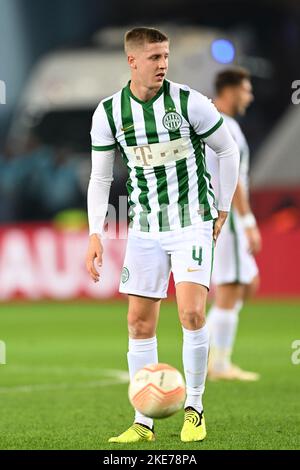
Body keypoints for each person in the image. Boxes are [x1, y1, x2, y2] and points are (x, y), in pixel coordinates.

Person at [86, 27, 239, 443]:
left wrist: (222, 206)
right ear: (132, 61)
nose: (163, 64)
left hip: (191, 221)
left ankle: (195, 408)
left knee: (191, 313)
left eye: (166, 56)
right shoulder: (110, 113)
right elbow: (100, 179)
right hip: (145, 228)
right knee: (138, 323)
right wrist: (95, 233)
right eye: (154, 57)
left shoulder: (189, 102)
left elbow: (228, 150)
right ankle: (143, 421)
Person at [205, 68, 262, 381]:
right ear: (229, 90)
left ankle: (208, 346)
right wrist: (248, 220)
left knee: (248, 283)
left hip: (221, 215)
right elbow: (234, 178)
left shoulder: (215, 123)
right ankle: (220, 364)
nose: (249, 96)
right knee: (230, 288)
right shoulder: (225, 126)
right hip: (227, 217)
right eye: (246, 89)